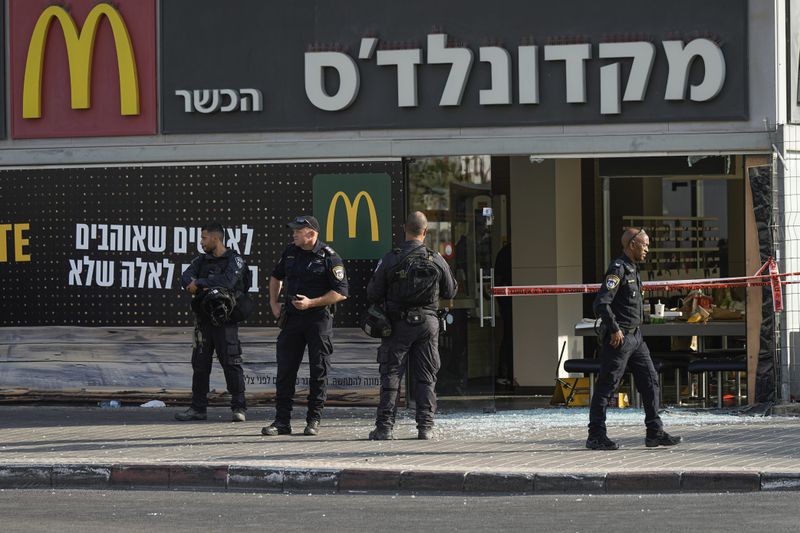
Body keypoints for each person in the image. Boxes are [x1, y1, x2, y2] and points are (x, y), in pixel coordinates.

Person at [587, 227, 682, 450]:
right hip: (620, 340)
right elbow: (601, 302)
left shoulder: (633, 269)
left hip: (636, 337)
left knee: (650, 381)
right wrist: (614, 328)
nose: (647, 248)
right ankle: (596, 435)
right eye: (644, 244)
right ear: (632, 245)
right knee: (607, 386)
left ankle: (654, 432)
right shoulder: (618, 269)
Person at [366, 211, 458, 440]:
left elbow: (373, 292)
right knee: (426, 376)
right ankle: (425, 427)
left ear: (403, 228)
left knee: (392, 374)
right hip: (428, 323)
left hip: (397, 324)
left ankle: (385, 427)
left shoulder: (390, 258)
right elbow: (450, 290)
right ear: (425, 232)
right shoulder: (436, 258)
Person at [262, 215, 348, 436]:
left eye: (297, 231)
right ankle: (282, 421)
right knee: (285, 370)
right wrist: (274, 303)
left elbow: (340, 293)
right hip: (292, 319)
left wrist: (311, 303)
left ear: (311, 234)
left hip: (318, 320)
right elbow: (275, 276)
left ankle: (313, 420)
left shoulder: (330, 257)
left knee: (318, 370)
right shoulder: (290, 252)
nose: (293, 234)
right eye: (293, 231)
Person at [175, 222, 248, 422]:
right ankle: (198, 409)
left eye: (204, 238)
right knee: (200, 366)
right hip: (204, 321)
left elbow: (227, 282)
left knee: (231, 363)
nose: (201, 242)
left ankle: (239, 408)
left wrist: (200, 283)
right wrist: (197, 283)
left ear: (215, 238)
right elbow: (185, 277)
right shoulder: (201, 260)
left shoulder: (235, 260)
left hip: (226, 322)